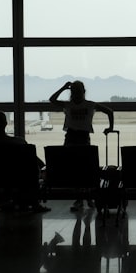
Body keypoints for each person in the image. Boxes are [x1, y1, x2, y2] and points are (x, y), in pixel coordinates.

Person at [49, 80, 115, 211]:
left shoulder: (72, 105)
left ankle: (83, 197)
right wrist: (110, 127)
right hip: (77, 137)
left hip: (76, 137)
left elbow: (52, 99)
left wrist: (63, 88)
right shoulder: (87, 105)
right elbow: (109, 111)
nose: (77, 94)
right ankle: (83, 197)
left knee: (79, 167)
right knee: (81, 167)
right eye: (76, 91)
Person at [0, 111, 48, 213]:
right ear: (5, 124)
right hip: (18, 178)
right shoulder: (19, 142)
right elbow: (34, 161)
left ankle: (6, 201)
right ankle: (32, 203)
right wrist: (43, 167)